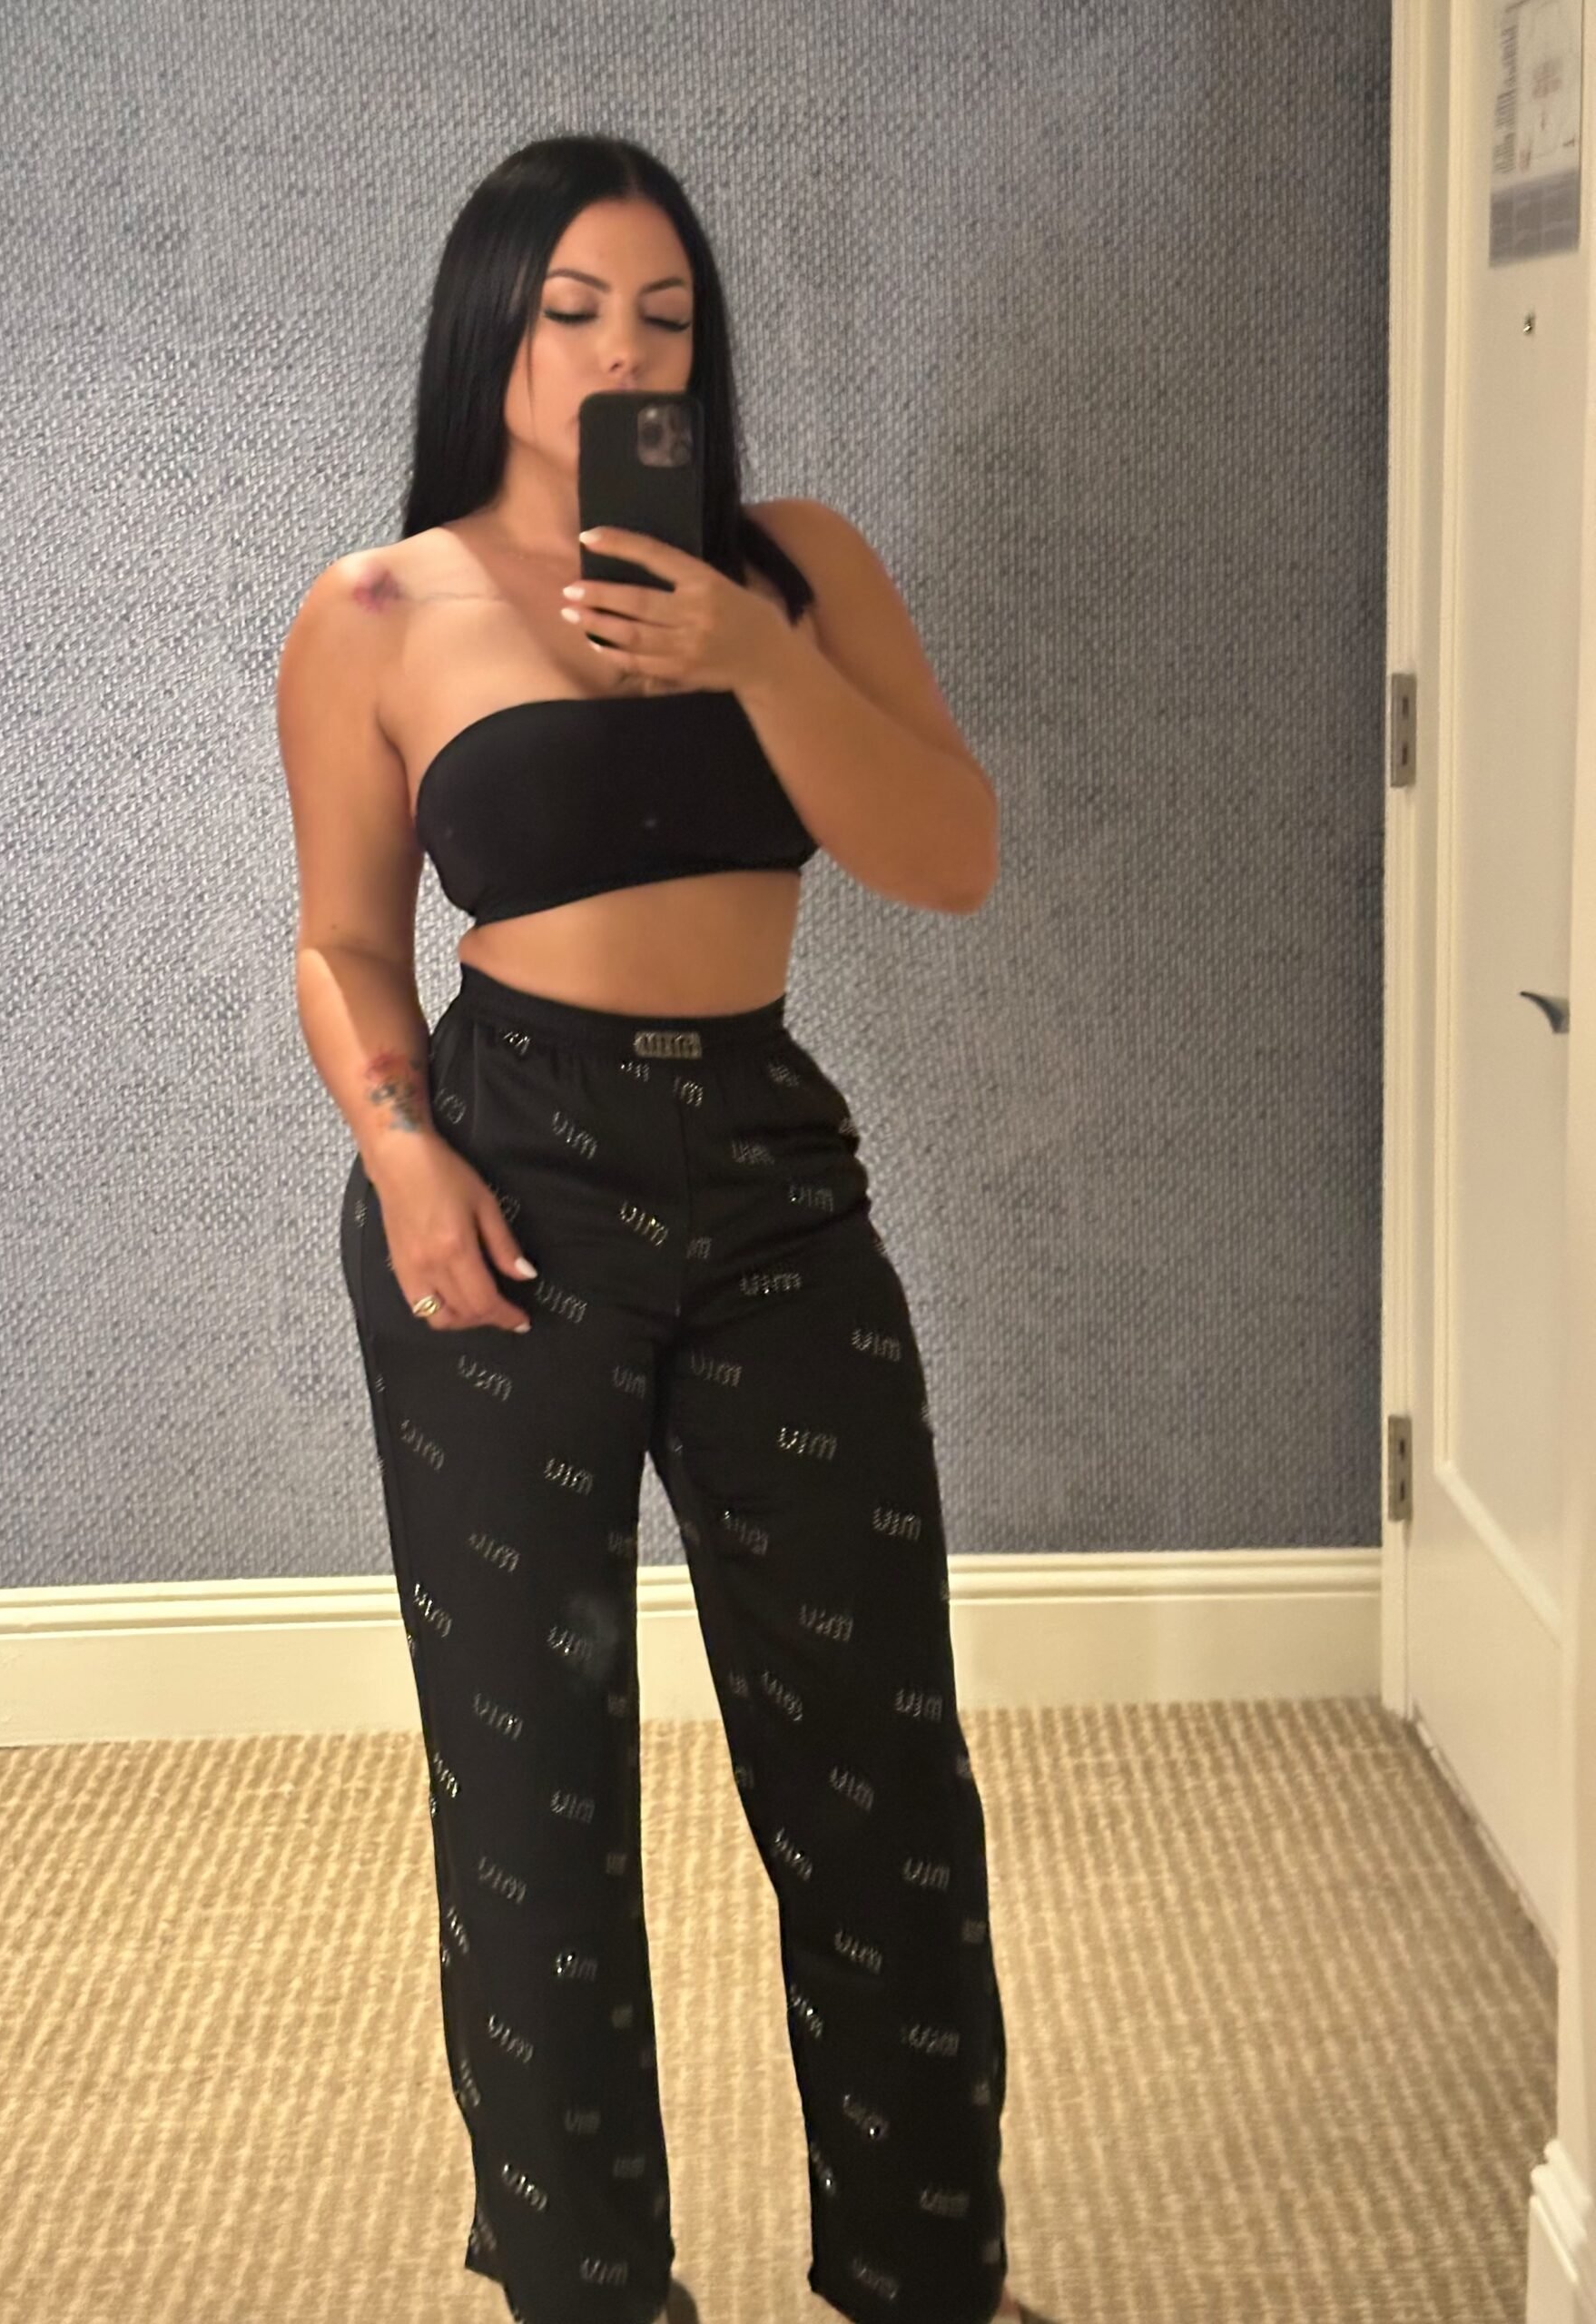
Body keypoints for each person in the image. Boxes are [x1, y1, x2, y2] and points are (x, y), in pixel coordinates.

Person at [277, 133, 1055, 2324]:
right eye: (575, 313)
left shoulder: (797, 565)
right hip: (501, 1172)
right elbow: (343, 939)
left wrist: (752, 654)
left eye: (667, 318)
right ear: (494, 335)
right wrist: (404, 1151)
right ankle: (587, 2282)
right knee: (530, 1779)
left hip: (770, 1173)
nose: (627, 353)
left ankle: (924, 2274)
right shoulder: (374, 612)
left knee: (875, 1754)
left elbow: (950, 855)